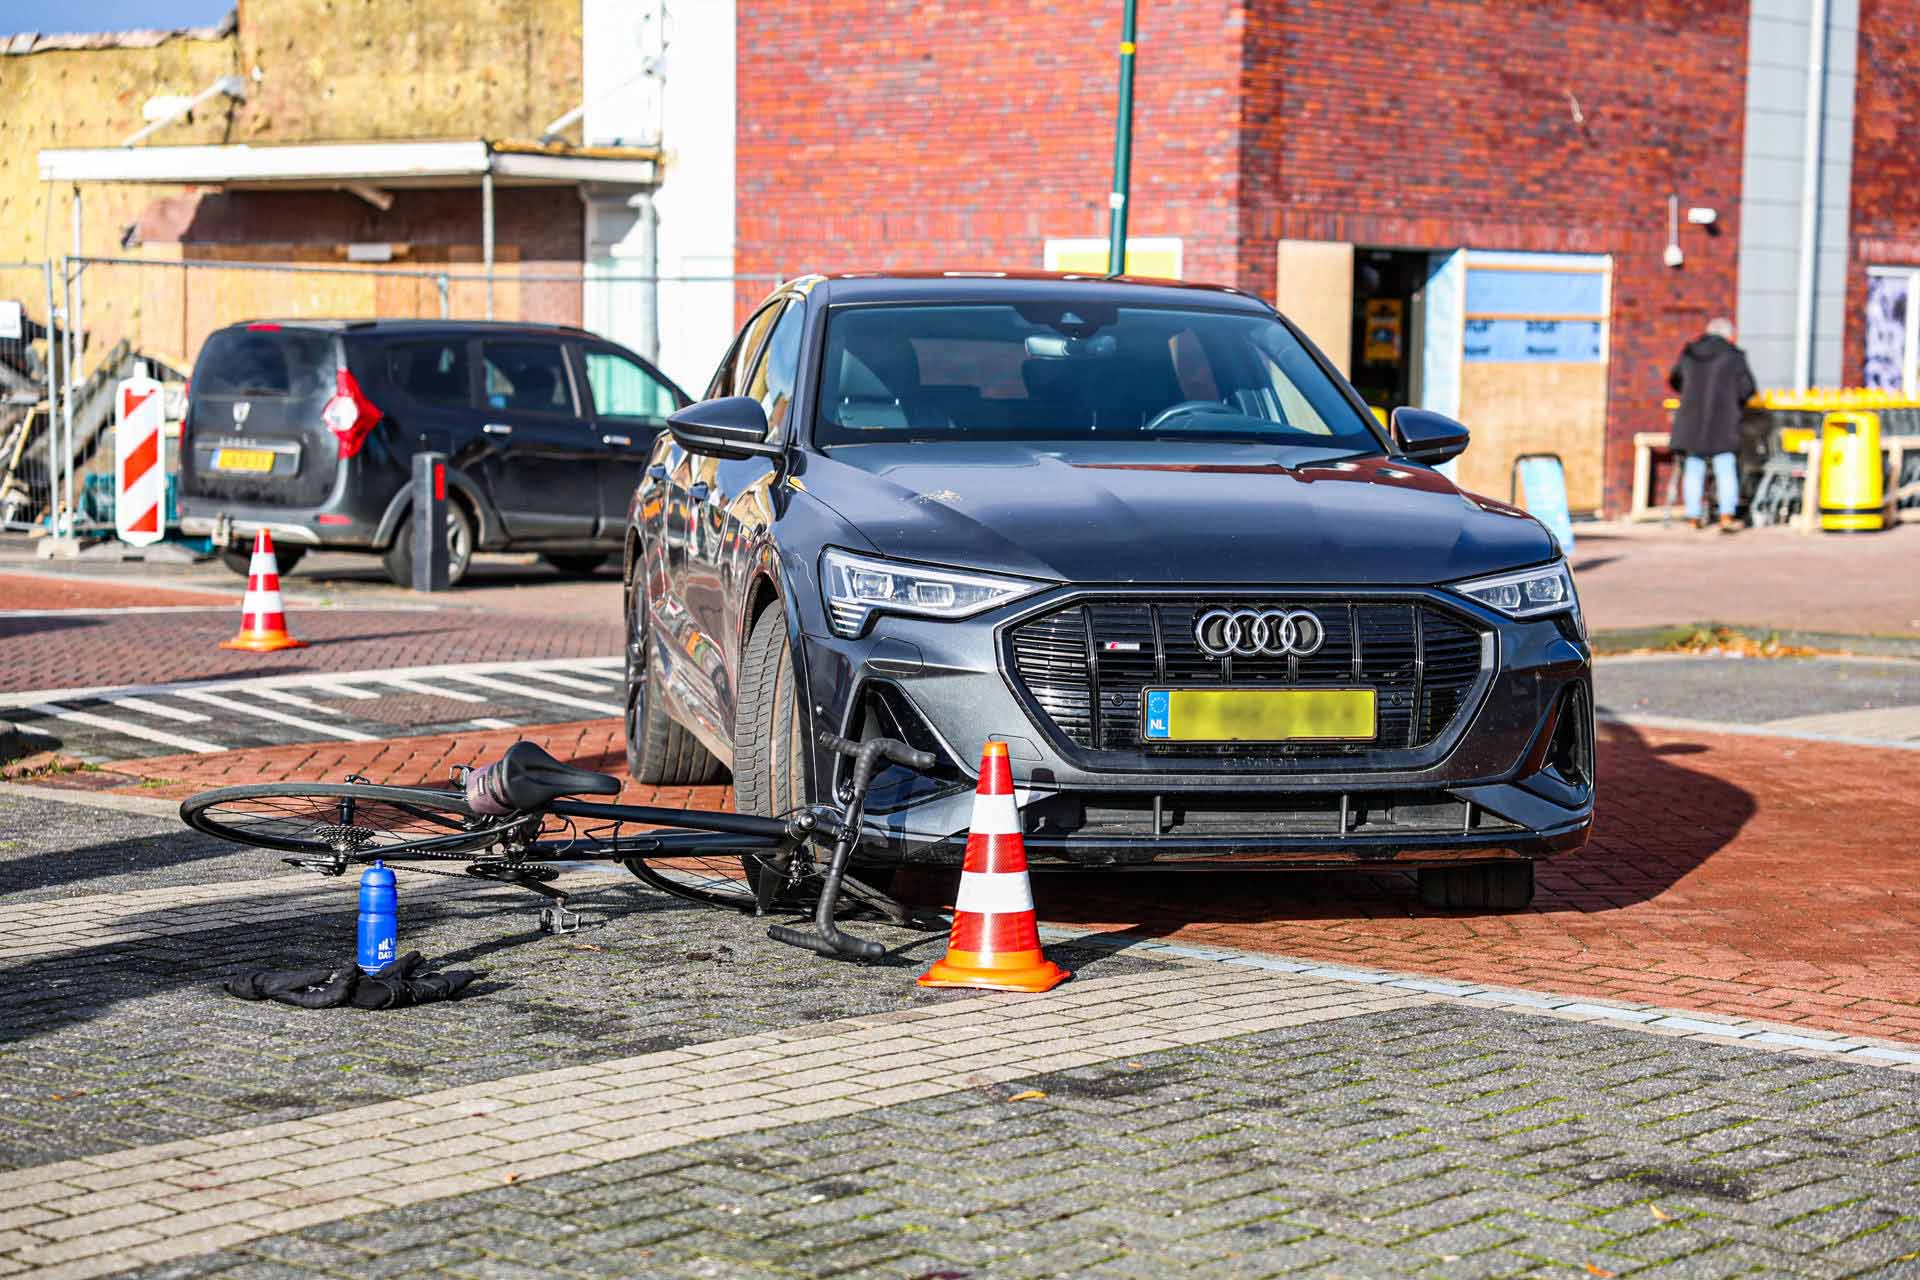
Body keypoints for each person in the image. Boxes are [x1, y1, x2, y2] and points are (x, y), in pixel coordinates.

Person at [1668, 317, 1758, 532]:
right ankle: (1726, 515)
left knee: (1694, 466)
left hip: (1692, 419)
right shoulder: (1734, 356)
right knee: (1725, 466)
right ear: (1729, 335)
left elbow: (1674, 378)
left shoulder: (1690, 352)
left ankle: (1693, 516)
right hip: (1723, 420)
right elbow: (1748, 388)